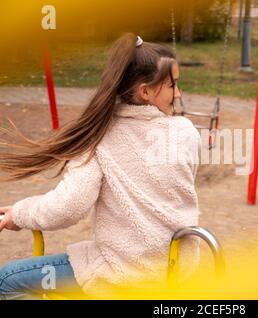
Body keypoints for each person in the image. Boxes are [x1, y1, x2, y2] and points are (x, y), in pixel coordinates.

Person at [0, 33, 202, 299]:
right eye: (172, 86)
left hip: (125, 272)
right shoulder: (185, 131)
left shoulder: (98, 137)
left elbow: (68, 207)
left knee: (7, 280)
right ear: (145, 92)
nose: (178, 93)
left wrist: (21, 213)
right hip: (177, 269)